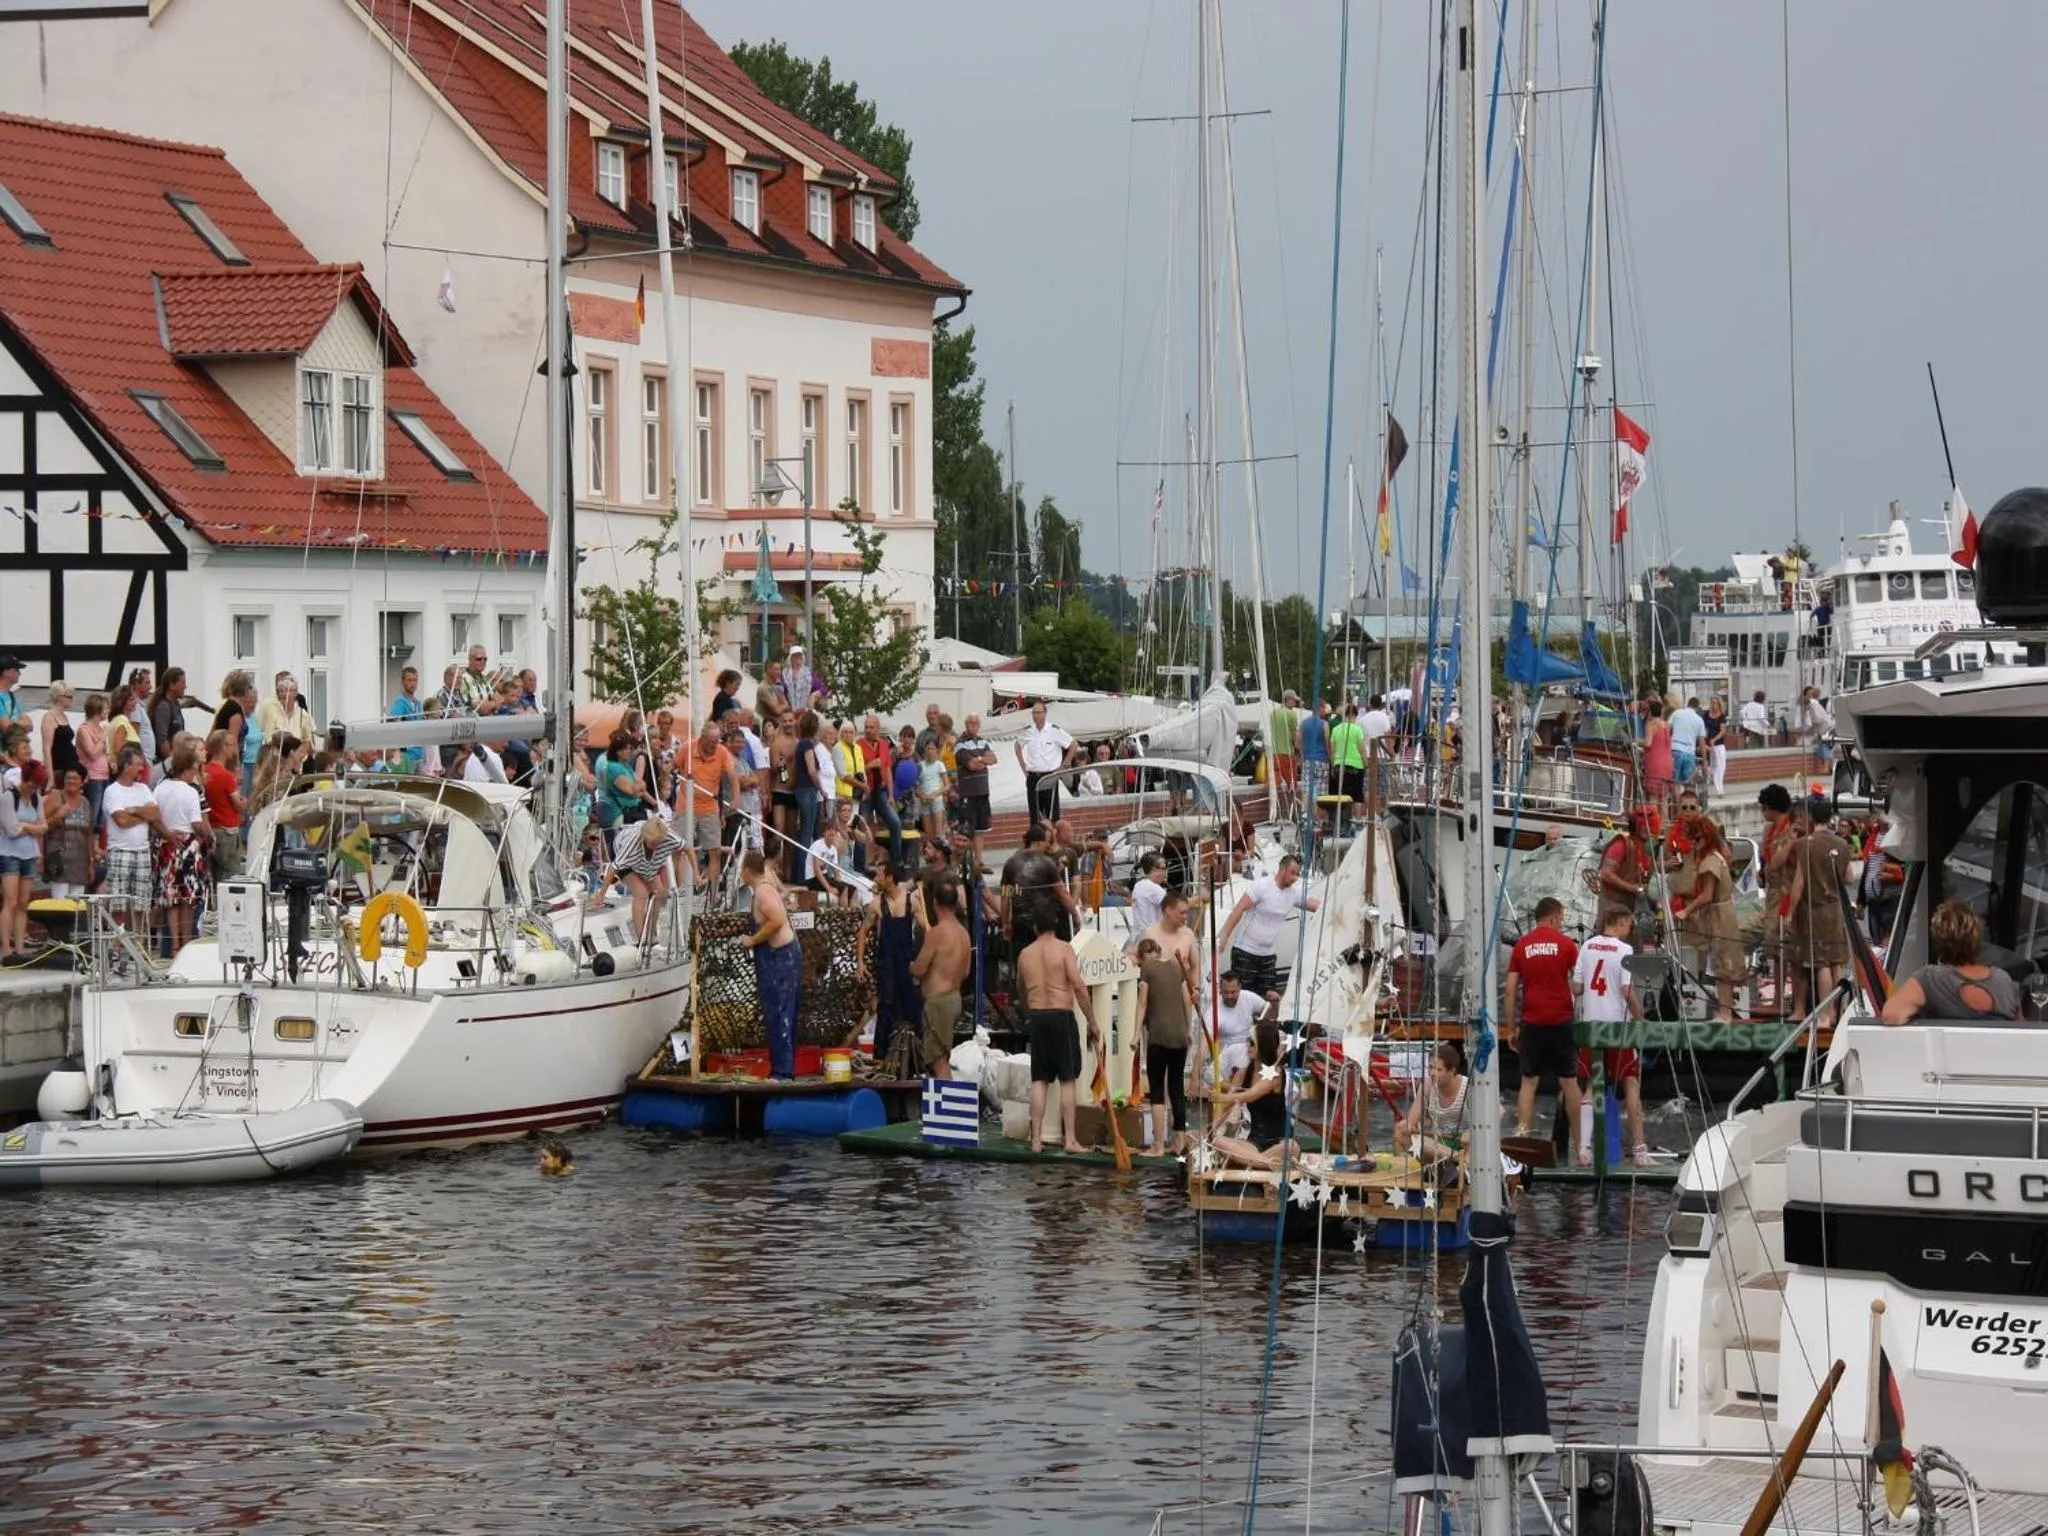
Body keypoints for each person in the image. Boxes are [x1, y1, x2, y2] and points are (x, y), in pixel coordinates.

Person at [1016, 912, 1101, 1155]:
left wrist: (1031, 1010)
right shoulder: (1064, 949)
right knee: (1067, 1078)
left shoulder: (1025, 954)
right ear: (1055, 925)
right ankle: (1070, 1139)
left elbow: (1021, 989)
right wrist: (1092, 1022)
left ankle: (1036, 1139)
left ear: (1035, 926)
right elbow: (1079, 986)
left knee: (1039, 1079)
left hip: (1038, 1016)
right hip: (1061, 1015)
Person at [1572, 907, 1650, 1168]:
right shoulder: (1624, 950)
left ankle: (1584, 1150)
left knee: (1590, 1085)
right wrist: (1640, 1018)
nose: (1630, 930)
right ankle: (1640, 1151)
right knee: (1631, 1084)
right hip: (1618, 1027)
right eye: (1630, 925)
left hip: (1592, 1026)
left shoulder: (1586, 946)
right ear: (1622, 922)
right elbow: (1627, 991)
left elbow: (1577, 988)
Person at [1506, 896, 1583, 1142]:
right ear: (1553, 918)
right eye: (1561, 919)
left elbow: (1510, 991)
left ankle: (1522, 1138)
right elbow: (1578, 986)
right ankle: (1581, 1145)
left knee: (1528, 1083)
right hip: (1562, 1020)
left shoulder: (1521, 946)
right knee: (1569, 1082)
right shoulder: (1568, 945)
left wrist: (1511, 1028)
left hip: (1533, 1021)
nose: (1561, 923)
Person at [1881, 900, 2022, 1024]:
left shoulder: (1930, 978)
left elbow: (1891, 1015)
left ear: (1938, 941)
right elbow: (2022, 1030)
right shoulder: (2002, 979)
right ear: (1977, 938)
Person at [734, 850, 802, 1077]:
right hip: (779, 956)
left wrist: (752, 940)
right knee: (779, 1014)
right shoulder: (765, 888)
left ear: (747, 870)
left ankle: (783, 1073)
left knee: (780, 1014)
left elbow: (777, 919)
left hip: (781, 957)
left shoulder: (763, 891)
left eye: (741, 870)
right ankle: (783, 1069)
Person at [1785, 797, 1853, 1017]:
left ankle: (1825, 1014)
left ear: (1812, 818)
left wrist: (1790, 913)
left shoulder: (1805, 844)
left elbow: (1799, 883)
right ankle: (1839, 1012)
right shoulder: (1842, 843)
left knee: (1822, 963)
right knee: (1836, 963)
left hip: (1815, 910)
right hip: (1836, 909)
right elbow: (1849, 878)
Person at [1217, 854, 1319, 1000]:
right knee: (1243, 998)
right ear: (1282, 869)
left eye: (1297, 874)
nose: (1295, 878)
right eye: (1292, 873)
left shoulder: (1294, 893)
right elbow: (1239, 909)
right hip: (1245, 951)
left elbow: (1315, 905)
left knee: (1268, 1000)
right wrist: (1225, 935)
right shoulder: (1262, 886)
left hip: (1268, 956)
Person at [1671, 816, 1740, 1021]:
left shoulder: (1709, 861)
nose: (1694, 843)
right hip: (1723, 912)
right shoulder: (1717, 856)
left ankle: (1725, 1013)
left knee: (1723, 965)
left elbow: (1707, 895)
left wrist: (1687, 911)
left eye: (1698, 839)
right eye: (1693, 839)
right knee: (1722, 964)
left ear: (1708, 838)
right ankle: (1725, 1011)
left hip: (1719, 916)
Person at [1209, 1020, 1300, 1171]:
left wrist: (1222, 1097)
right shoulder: (1244, 1072)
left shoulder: (1275, 1073)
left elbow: (1251, 1095)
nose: (1248, 1046)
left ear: (1263, 1045)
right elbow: (1227, 1107)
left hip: (1279, 1143)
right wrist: (1211, 1129)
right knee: (1218, 1142)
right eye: (1248, 1041)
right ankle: (1267, 1163)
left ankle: (1252, 1162)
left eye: (1252, 1043)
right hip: (1254, 1144)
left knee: (1291, 1147)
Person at [1134, 935, 1194, 1156]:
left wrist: (1135, 1035)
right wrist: (1188, 1030)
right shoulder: (1176, 967)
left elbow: (1142, 1003)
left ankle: (1158, 1145)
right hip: (1180, 1037)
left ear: (1142, 957)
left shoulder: (1147, 968)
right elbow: (1187, 1000)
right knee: (1176, 1088)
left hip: (1159, 1037)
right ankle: (1179, 1143)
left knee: (1157, 1089)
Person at [909, 873, 972, 1079]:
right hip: (954, 999)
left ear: (935, 903)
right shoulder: (964, 934)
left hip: (939, 1003)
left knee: (938, 1061)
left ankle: (948, 1099)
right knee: (941, 1057)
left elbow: (919, 969)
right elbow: (966, 972)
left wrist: (911, 965)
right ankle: (946, 1096)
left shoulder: (936, 933)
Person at [859, 866, 922, 1068]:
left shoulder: (912, 901)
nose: (875, 878)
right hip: (886, 964)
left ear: (890, 877)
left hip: (906, 964)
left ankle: (914, 1058)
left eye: (879, 875)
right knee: (885, 1008)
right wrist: (860, 962)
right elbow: (863, 932)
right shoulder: (876, 904)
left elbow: (926, 929)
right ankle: (881, 1058)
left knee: (910, 1008)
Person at [153, 738, 210, 955]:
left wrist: (165, 832)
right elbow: (197, 823)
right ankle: (185, 943)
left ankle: (174, 944)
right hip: (188, 845)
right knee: (188, 897)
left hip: (166, 844)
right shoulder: (191, 791)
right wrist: (206, 835)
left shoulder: (160, 787)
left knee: (171, 897)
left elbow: (155, 817)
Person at [591, 814, 679, 943]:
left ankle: (652, 929)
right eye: (653, 843)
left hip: (642, 855)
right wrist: (601, 894)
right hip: (621, 853)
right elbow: (613, 869)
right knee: (641, 892)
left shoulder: (664, 837)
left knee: (659, 893)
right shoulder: (630, 846)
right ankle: (642, 938)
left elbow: (682, 850)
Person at [101, 746, 158, 936]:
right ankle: (117, 942)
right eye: (138, 764)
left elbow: (155, 813)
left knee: (141, 902)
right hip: (120, 850)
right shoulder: (112, 791)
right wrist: (143, 816)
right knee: (118, 903)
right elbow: (121, 821)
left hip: (142, 850)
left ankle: (137, 940)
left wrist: (134, 810)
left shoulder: (143, 789)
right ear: (126, 766)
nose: (142, 768)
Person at [0, 726, 45, 959]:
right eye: (31, 784)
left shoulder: (36, 798)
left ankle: (19, 947)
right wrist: (29, 827)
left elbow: (43, 826)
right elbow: (12, 830)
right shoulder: (9, 797)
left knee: (23, 902)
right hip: (9, 853)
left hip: (29, 853)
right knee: (10, 900)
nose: (33, 789)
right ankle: (6, 948)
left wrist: (26, 827)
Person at [683, 719, 737, 890]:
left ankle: (713, 895)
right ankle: (680, 892)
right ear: (703, 738)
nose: (715, 745)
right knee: (679, 848)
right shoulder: (687, 748)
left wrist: (735, 799)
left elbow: (732, 777)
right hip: (685, 806)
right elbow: (672, 767)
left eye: (717, 741)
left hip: (710, 807)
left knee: (715, 851)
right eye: (712, 741)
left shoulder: (722, 752)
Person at [1401, 1040, 1470, 1163]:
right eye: (1430, 1067)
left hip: (1466, 1144)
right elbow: (1411, 1122)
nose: (1432, 1073)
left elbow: (1499, 1111)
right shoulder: (1427, 1085)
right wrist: (1408, 1126)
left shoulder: (1469, 1087)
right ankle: (1457, 1159)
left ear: (1452, 1071)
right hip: (1439, 1145)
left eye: (1438, 1070)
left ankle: (1461, 1160)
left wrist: (1473, 1132)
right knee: (1400, 1131)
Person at [1016, 702, 1075, 824]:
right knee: (1035, 815)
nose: (1035, 716)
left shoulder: (1053, 730)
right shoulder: (1028, 731)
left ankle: (1052, 836)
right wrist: (1023, 767)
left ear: (1045, 714)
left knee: (1052, 816)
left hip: (1049, 776)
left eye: (1038, 713)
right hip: (1033, 776)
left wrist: (1064, 766)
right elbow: (1017, 745)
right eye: (1033, 713)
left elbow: (1073, 745)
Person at [39, 765, 93, 901]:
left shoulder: (86, 803)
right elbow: (40, 827)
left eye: (75, 778)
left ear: (82, 781)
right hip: (58, 860)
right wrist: (57, 816)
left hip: (79, 863)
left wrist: (91, 862)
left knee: (77, 906)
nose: (71, 781)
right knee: (59, 904)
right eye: (68, 778)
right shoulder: (55, 798)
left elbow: (89, 834)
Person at [950, 715, 996, 870]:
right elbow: (970, 765)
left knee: (980, 829)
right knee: (966, 830)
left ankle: (979, 862)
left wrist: (979, 760)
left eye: (976, 723)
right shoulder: (959, 744)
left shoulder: (983, 741)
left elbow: (994, 759)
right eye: (971, 723)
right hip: (968, 793)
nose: (974, 725)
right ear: (966, 724)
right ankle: (964, 863)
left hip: (983, 791)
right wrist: (983, 761)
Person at [1210, 968, 1271, 1083]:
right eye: (1225, 992)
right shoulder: (1214, 1010)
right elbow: (1204, 1043)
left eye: (1233, 992)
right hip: (1227, 1057)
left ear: (1239, 988)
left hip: (1249, 1051)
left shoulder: (1248, 997)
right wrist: (1195, 1076)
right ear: (1220, 990)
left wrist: (1275, 1004)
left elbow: (1269, 1011)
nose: (1229, 996)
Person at [201, 729, 246, 879]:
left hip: (210, 829)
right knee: (230, 876)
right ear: (223, 747)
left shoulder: (203, 772)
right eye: (232, 745)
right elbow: (239, 806)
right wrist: (246, 801)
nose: (235, 749)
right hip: (227, 832)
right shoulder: (226, 776)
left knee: (212, 876)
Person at [255, 671, 314, 753]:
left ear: (295, 693)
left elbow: (307, 740)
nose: (284, 694)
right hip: (274, 755)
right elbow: (259, 730)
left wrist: (297, 756)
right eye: (280, 691)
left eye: (288, 690)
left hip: (297, 756)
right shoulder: (270, 708)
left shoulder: (302, 714)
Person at [76, 693, 110, 827]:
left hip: (104, 775)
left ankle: (97, 838)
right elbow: (93, 753)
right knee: (92, 815)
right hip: (92, 776)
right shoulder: (84, 730)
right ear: (97, 710)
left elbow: (104, 752)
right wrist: (103, 737)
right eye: (105, 708)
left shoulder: (101, 728)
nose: (108, 711)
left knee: (102, 816)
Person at [147, 667, 187, 770]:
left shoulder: (175, 704)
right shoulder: (164, 706)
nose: (185, 686)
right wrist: (172, 763)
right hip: (165, 764)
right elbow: (162, 739)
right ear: (171, 685)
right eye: (182, 683)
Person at [805, 821, 855, 904]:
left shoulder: (833, 849)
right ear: (824, 833)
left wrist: (838, 883)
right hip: (813, 879)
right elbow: (817, 871)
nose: (832, 831)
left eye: (834, 830)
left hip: (825, 877)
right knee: (844, 889)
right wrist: (829, 888)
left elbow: (836, 872)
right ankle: (842, 911)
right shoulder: (817, 845)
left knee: (853, 889)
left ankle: (852, 912)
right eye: (829, 829)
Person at [1267, 690, 1300, 814]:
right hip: (1287, 753)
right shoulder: (1291, 715)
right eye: (1294, 700)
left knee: (1276, 784)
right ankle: (1291, 812)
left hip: (1274, 754)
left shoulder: (1272, 714)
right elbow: (1295, 737)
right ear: (1288, 700)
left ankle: (1276, 811)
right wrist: (1298, 752)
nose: (1295, 703)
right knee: (1292, 784)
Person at [1295, 701, 1331, 811]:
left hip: (1308, 761)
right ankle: (1319, 816)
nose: (1325, 711)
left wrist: (1302, 758)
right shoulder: (1324, 724)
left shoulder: (1303, 724)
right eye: (1324, 708)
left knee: (1307, 789)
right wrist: (1331, 760)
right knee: (1322, 791)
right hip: (1322, 760)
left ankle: (1306, 813)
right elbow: (1327, 744)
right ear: (1320, 708)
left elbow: (1297, 743)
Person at [914, 736, 950, 844]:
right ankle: (930, 850)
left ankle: (940, 850)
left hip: (936, 799)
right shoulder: (920, 766)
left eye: (933, 749)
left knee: (938, 832)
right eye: (928, 749)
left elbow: (947, 785)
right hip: (924, 800)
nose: (930, 751)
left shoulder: (939, 765)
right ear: (925, 750)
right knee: (928, 833)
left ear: (936, 750)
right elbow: (915, 786)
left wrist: (935, 794)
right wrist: (922, 795)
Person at [1126, 852, 1168, 945]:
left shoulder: (1138, 885)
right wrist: (1198, 898)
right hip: (1149, 942)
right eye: (1164, 868)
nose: (1165, 872)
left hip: (1138, 938)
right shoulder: (1153, 888)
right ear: (1154, 869)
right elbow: (1174, 906)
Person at [39, 679, 77, 780]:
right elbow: (47, 748)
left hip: (70, 765)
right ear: (59, 697)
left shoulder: (63, 716)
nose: (72, 699)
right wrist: (50, 776)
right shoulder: (49, 718)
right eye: (69, 696)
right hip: (58, 768)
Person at [1330, 702, 1367, 805]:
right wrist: (1366, 765)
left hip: (1339, 765)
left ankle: (1343, 814)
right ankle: (1357, 815)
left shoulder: (1335, 730)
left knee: (1342, 795)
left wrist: (1333, 766)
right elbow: (1362, 750)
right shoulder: (1357, 729)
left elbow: (1332, 751)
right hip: (1356, 766)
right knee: (1357, 796)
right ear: (1353, 715)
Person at [1642, 697, 1675, 810]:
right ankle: (1664, 820)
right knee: (1664, 798)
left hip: (1655, 763)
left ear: (1650, 712)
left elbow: (1648, 743)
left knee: (1654, 797)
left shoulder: (1651, 725)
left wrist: (1638, 741)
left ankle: (1652, 819)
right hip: (1667, 763)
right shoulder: (1667, 725)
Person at [1668, 696, 1707, 788]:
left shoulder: (1676, 713)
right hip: (1689, 753)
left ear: (1687, 704)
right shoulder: (1699, 720)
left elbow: (1667, 729)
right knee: (1689, 783)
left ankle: (1677, 797)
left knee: (1675, 783)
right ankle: (1688, 796)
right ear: (1697, 707)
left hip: (1675, 750)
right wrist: (1705, 760)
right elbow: (1702, 743)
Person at [1800, 685, 1835, 767]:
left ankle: (1830, 767)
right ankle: (1828, 766)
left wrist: (1808, 733)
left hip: (1826, 729)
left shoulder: (1812, 705)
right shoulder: (1814, 703)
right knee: (1824, 749)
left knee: (1826, 750)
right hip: (1825, 728)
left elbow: (1817, 723)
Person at [1703, 695, 1730, 795]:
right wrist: (1704, 740)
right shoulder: (1706, 715)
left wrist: (1714, 739)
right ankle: (1708, 789)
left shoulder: (1722, 716)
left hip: (1719, 744)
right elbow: (1703, 728)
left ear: (1719, 704)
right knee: (1710, 767)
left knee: (1721, 766)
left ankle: (1720, 789)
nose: (1713, 705)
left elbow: (1723, 731)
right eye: (1712, 703)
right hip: (1708, 744)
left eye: (1715, 703)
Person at [783, 645, 820, 714]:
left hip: (805, 710)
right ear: (791, 658)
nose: (798, 658)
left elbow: (822, 688)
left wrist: (814, 695)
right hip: (788, 712)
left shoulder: (808, 673)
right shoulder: (784, 673)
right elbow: (779, 690)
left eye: (800, 655)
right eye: (795, 655)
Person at [0, 654, 18, 723]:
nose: (20, 673)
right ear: (6, 673)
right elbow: (6, 725)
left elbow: (29, 723)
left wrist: (12, 722)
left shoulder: (10, 695)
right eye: (16, 670)